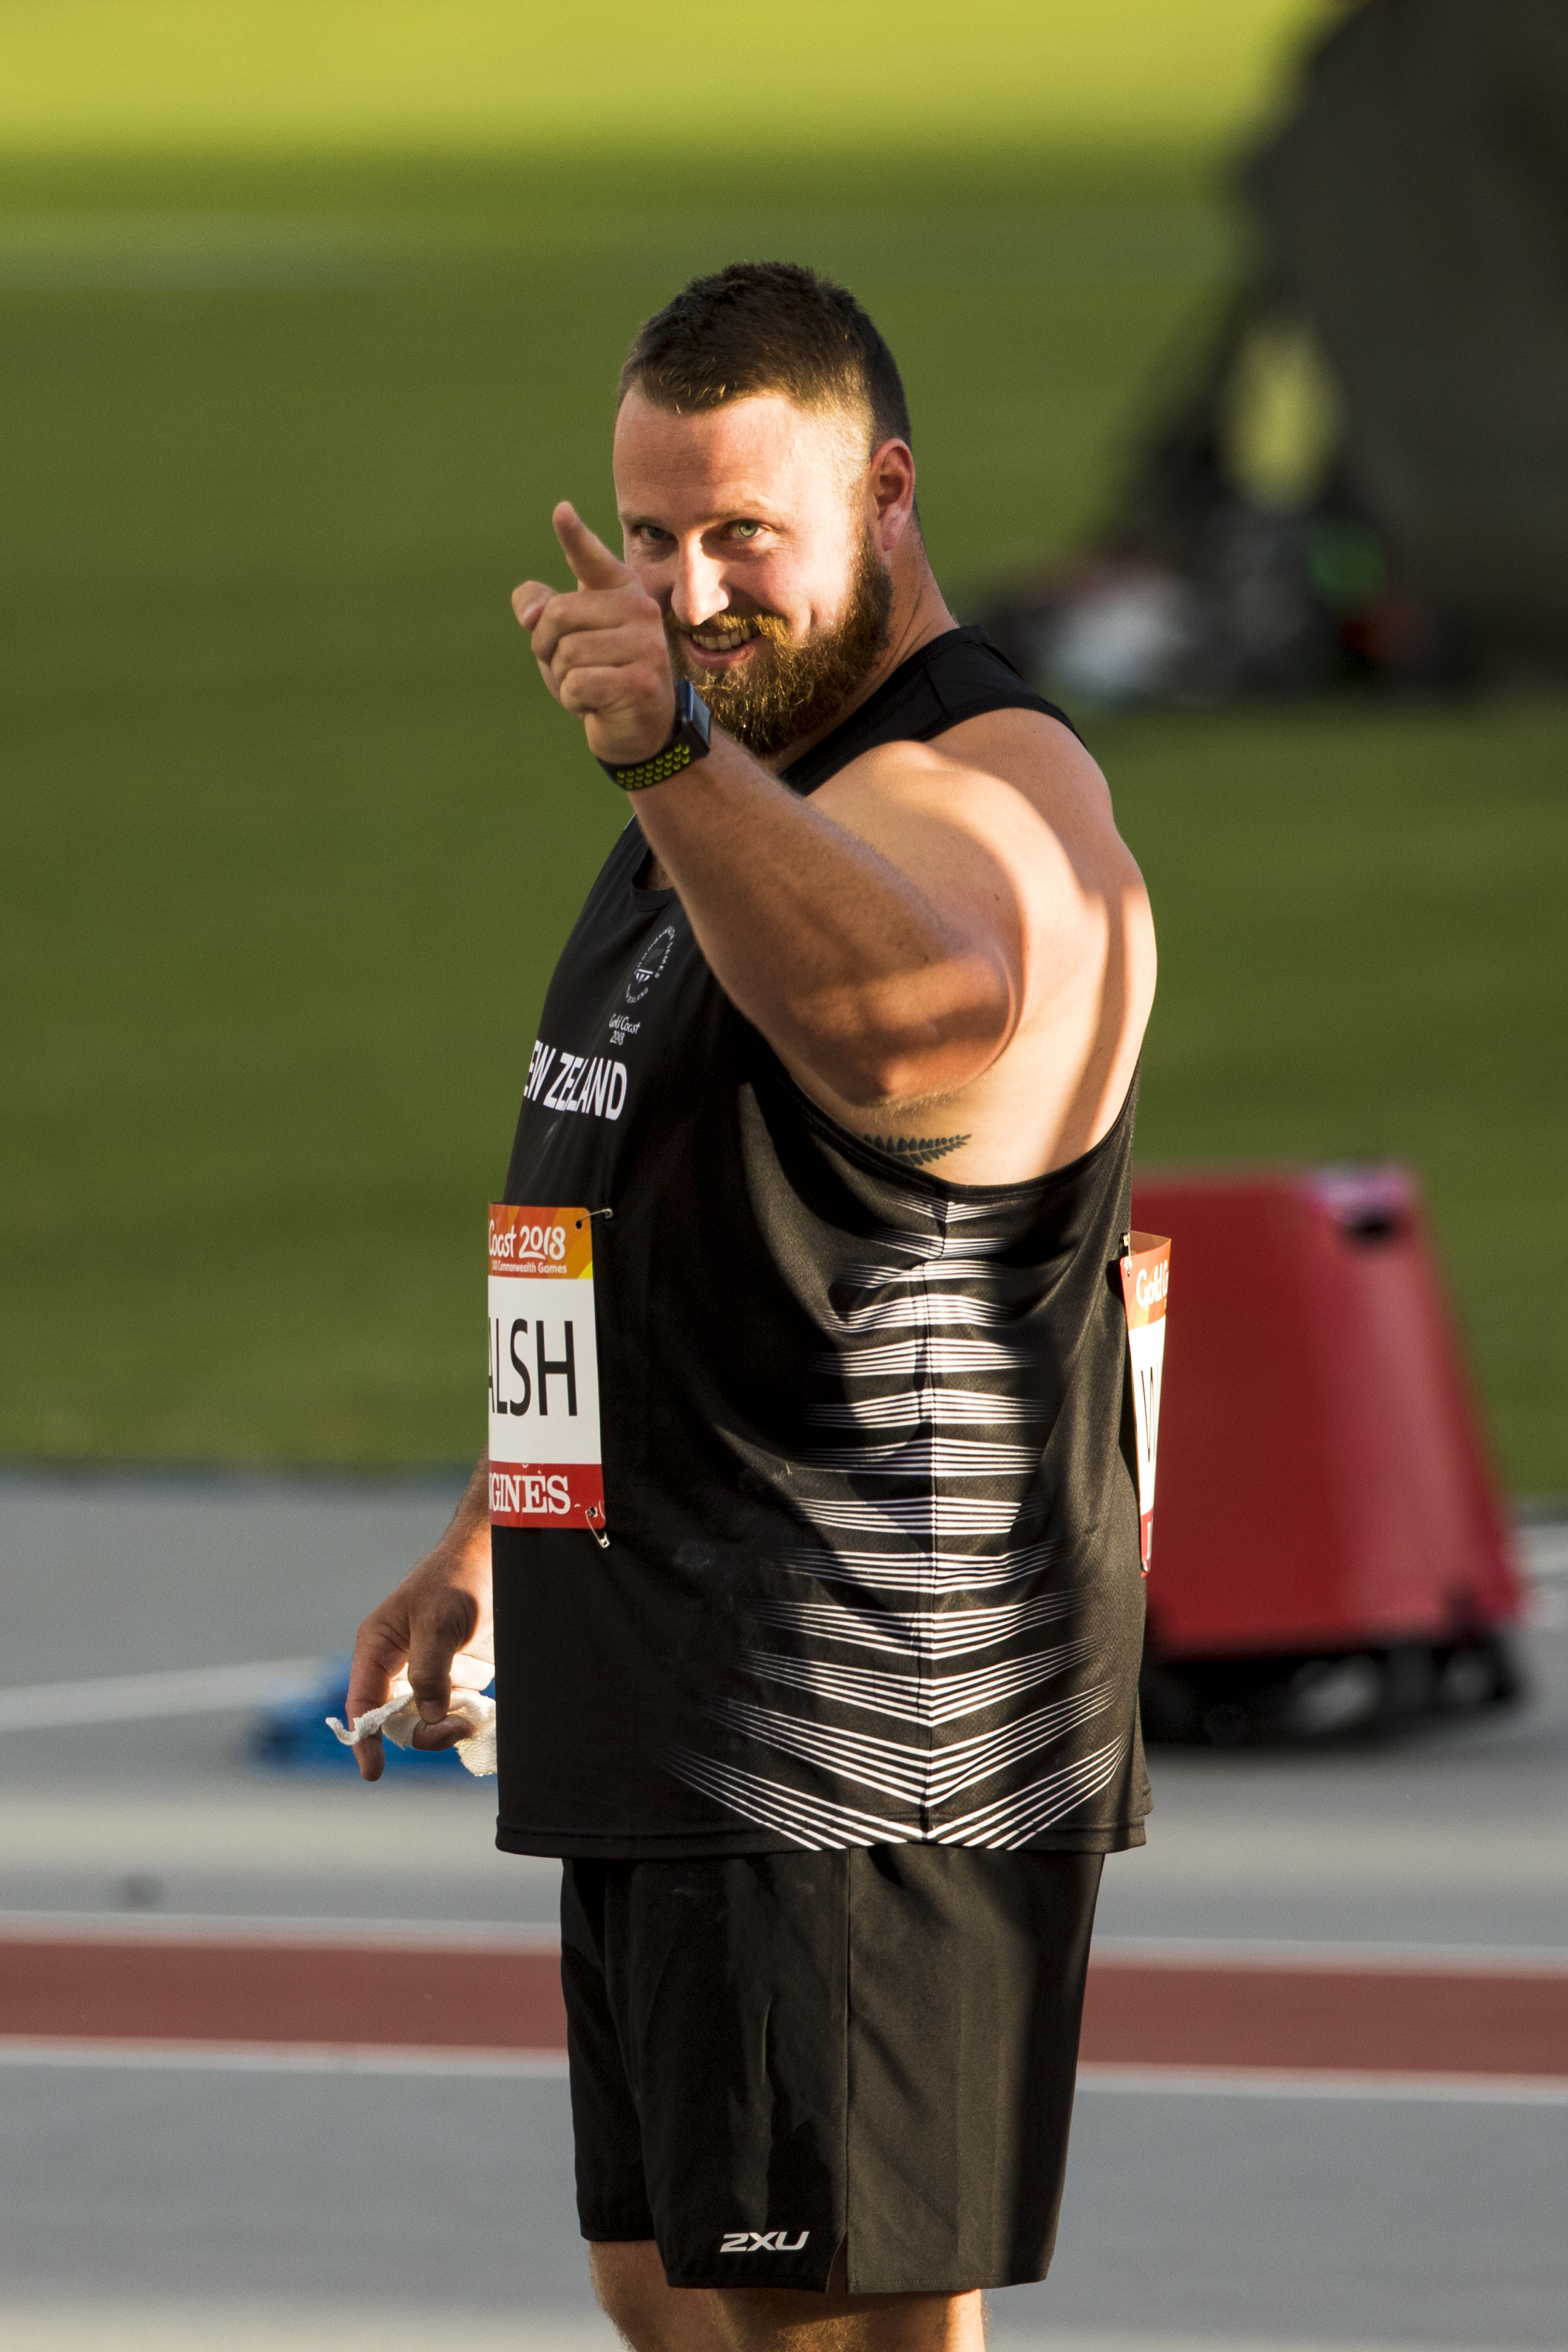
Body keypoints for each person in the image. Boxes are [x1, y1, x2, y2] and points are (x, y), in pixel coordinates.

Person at [346, 262, 1157, 2352]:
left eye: (740, 537)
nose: (689, 589)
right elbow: (630, 1195)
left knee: (827, 2326)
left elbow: (922, 1024)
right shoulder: (728, 789)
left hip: (852, 1708)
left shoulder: (979, 784)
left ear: (887, 493)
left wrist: (671, 748)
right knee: (665, 2288)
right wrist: (489, 1530)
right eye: (647, 534)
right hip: (666, 1683)